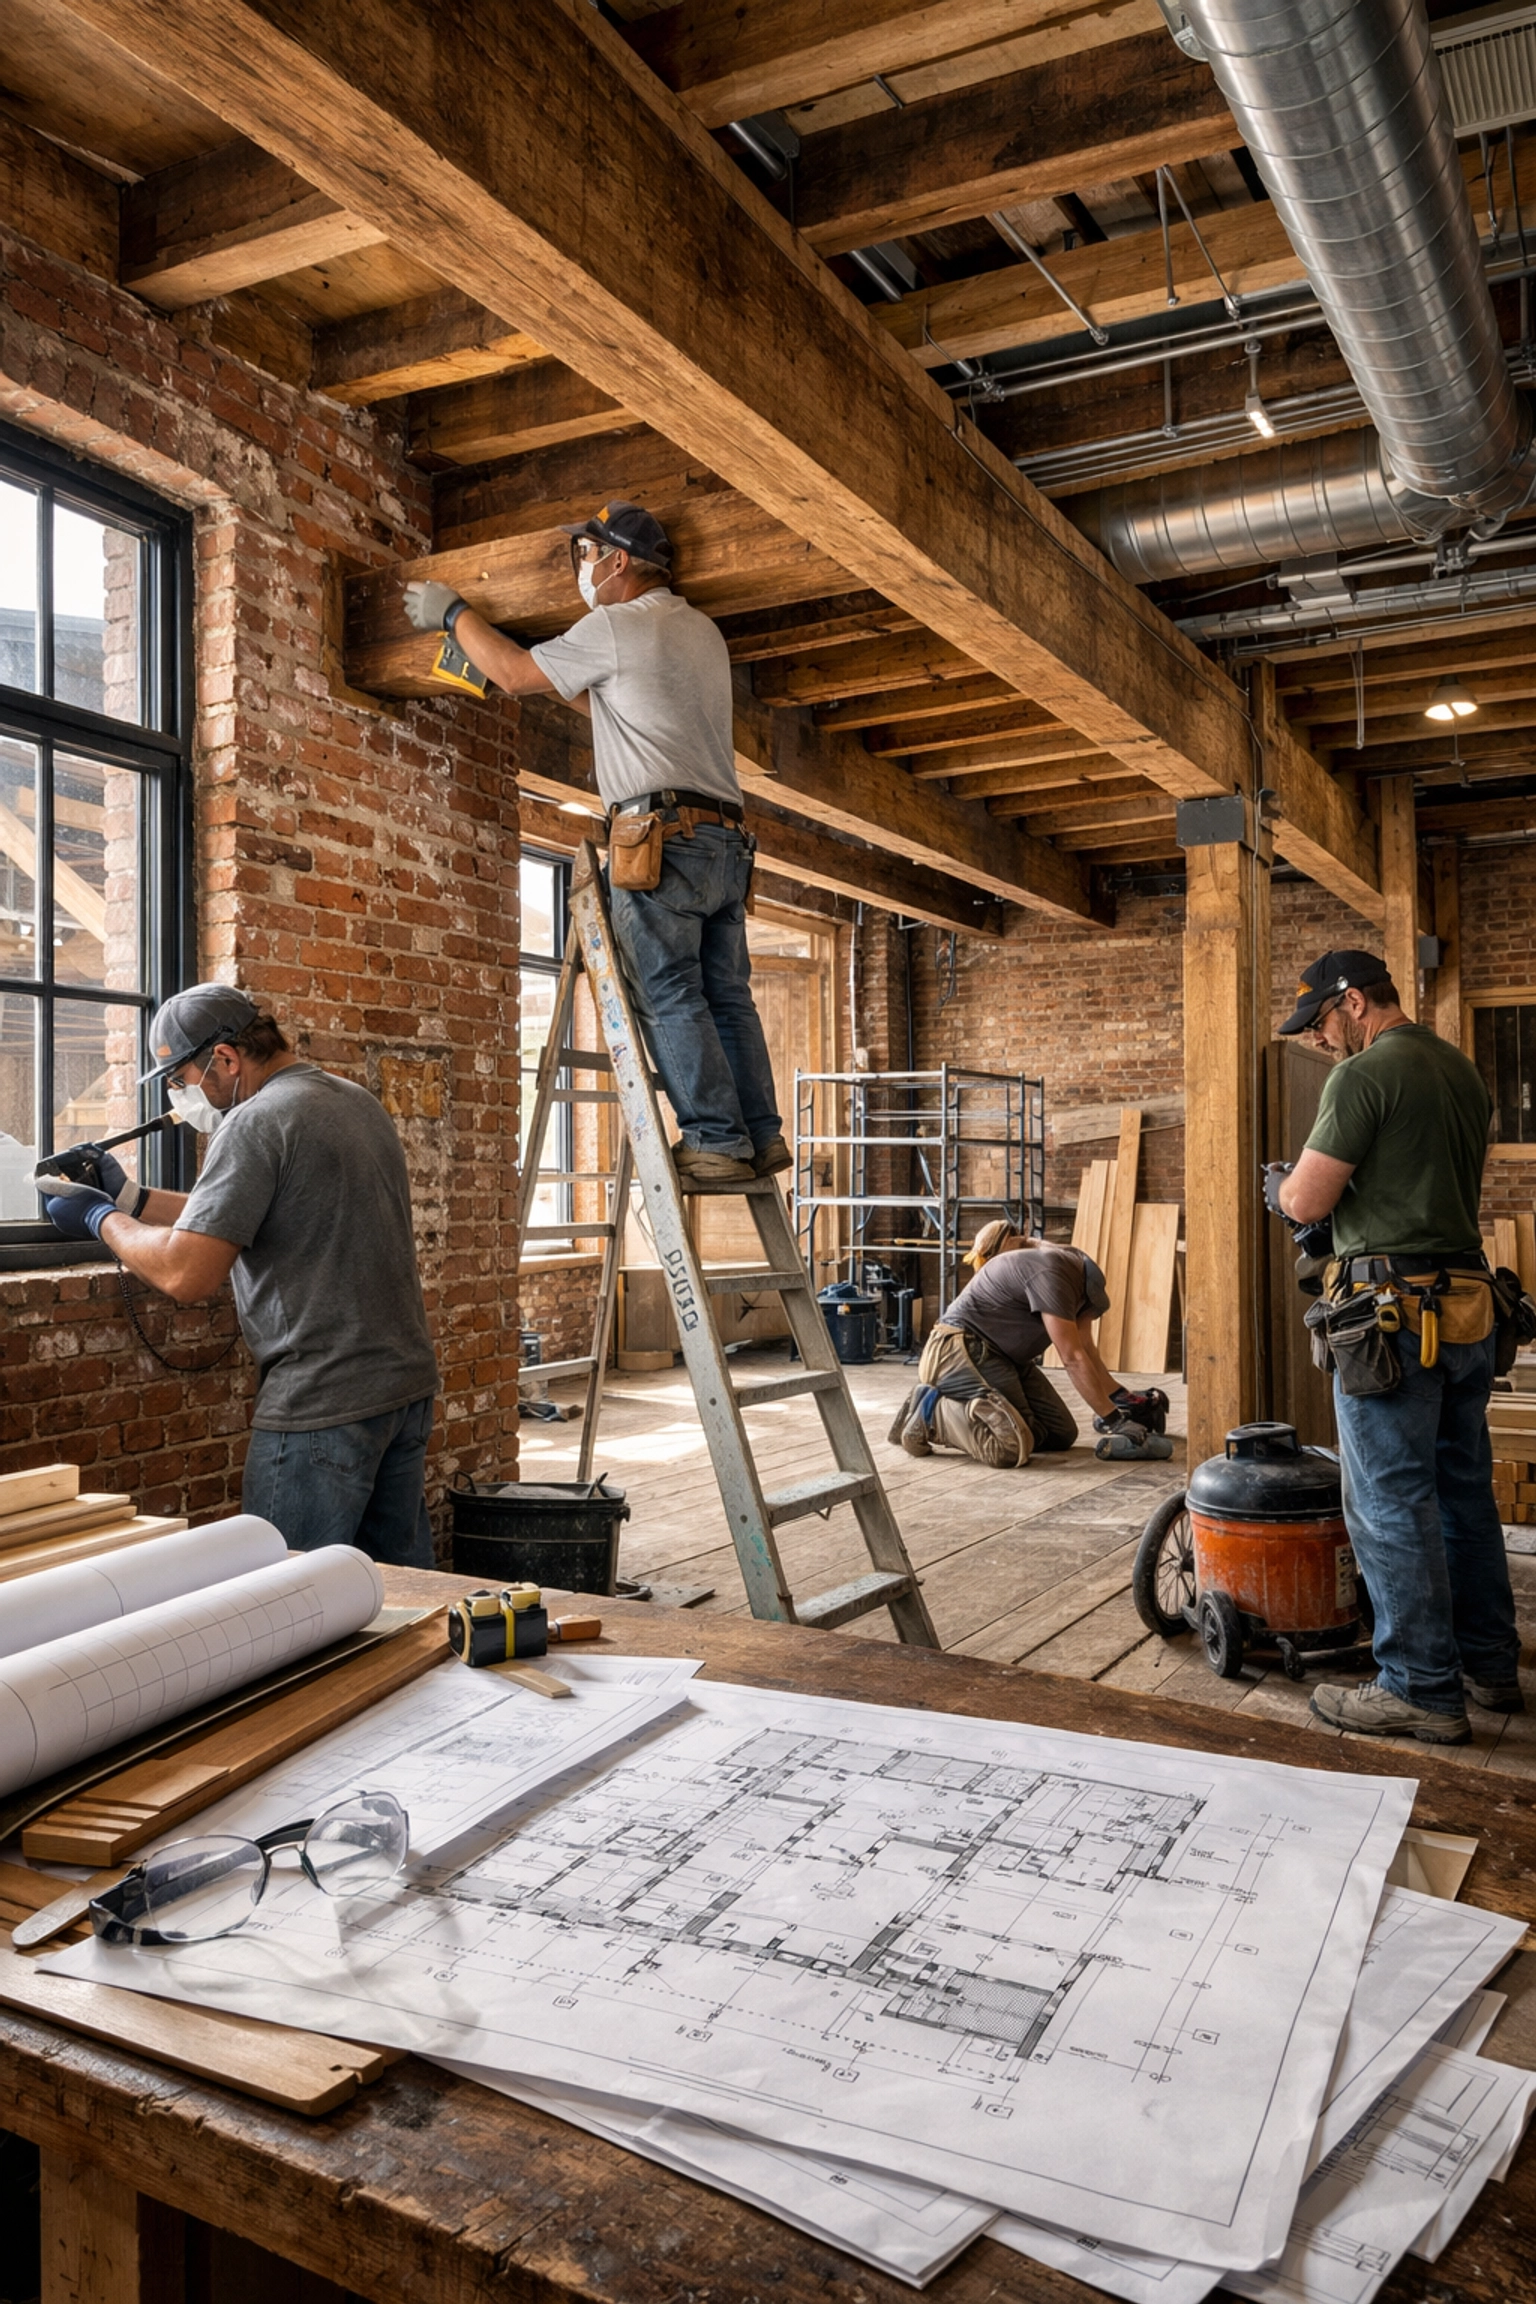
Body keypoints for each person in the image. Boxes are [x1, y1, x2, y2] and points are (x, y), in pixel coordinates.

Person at [403, 500, 786, 1187]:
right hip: (724, 842)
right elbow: (615, 699)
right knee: (727, 993)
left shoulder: (616, 625)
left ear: (618, 562)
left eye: (587, 556)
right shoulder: (701, 632)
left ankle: (716, 1140)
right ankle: (759, 1134)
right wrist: (541, 669)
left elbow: (518, 674)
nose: (582, 569)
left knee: (668, 989)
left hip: (661, 839)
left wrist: (455, 611)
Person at [39, 983, 441, 1566]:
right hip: (400, 1388)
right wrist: (130, 1196)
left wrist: (98, 1218)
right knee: (401, 1593)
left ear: (226, 1058)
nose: (181, 1096)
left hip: (322, 1400)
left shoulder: (255, 1122)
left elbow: (186, 1272)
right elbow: (245, 1214)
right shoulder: (352, 1100)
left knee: (287, 1598)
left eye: (182, 1079)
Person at [1268, 948, 1521, 1746]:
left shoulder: (1366, 1073)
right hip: (1467, 1306)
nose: (1320, 1042)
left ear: (1350, 1003)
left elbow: (1308, 1197)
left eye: (1320, 1023)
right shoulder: (1459, 1069)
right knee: (1461, 1491)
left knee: (1388, 1500)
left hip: (1391, 1319)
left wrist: (1278, 1188)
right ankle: (1488, 1664)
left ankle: (1418, 1686)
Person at [887, 1220, 1171, 1467]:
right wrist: (1113, 1421)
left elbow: (1086, 1351)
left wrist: (1121, 1398)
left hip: (1002, 1357)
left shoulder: (1068, 1265)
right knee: (1011, 1446)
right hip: (959, 1350)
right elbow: (1071, 1357)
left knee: (1060, 1434)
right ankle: (931, 1411)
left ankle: (953, 1406)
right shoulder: (1052, 1275)